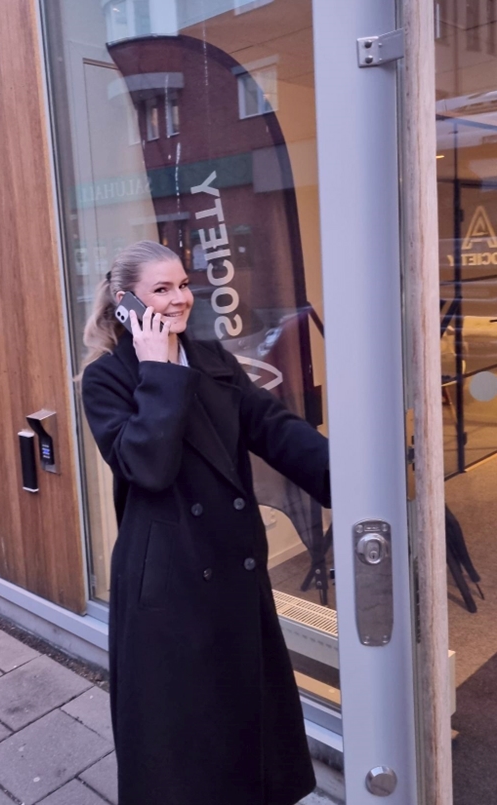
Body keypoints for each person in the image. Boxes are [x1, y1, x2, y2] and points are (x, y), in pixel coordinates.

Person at [81, 240, 331, 805]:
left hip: (231, 564)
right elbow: (146, 466)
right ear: (125, 303)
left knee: (245, 725)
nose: (179, 299)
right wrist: (157, 369)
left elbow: (273, 427)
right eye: (160, 290)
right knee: (185, 745)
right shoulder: (107, 379)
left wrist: (358, 480)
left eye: (183, 285)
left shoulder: (212, 358)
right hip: (167, 581)